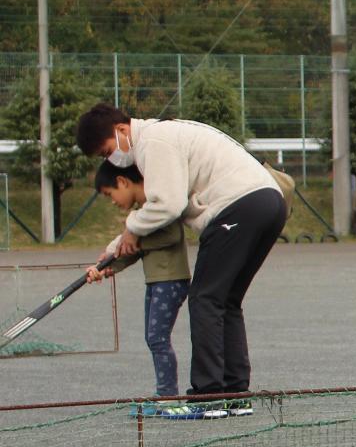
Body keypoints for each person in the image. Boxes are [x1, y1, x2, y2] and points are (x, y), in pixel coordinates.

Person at [74, 105, 286, 413]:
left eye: (107, 151)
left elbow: (167, 204)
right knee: (225, 301)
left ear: (121, 131)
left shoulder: (152, 141)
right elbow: (162, 207)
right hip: (268, 202)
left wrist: (130, 228)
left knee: (204, 298)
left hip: (237, 205)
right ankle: (235, 395)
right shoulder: (168, 133)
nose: (111, 160)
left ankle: (208, 396)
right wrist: (117, 247)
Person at [85, 162, 206, 417]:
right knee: (153, 337)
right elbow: (133, 250)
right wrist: (107, 268)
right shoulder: (143, 215)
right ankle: (164, 394)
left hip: (171, 281)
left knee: (158, 338)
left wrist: (131, 241)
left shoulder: (158, 206)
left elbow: (169, 237)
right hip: (157, 281)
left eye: (110, 194)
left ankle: (168, 397)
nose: (113, 201)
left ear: (123, 182)